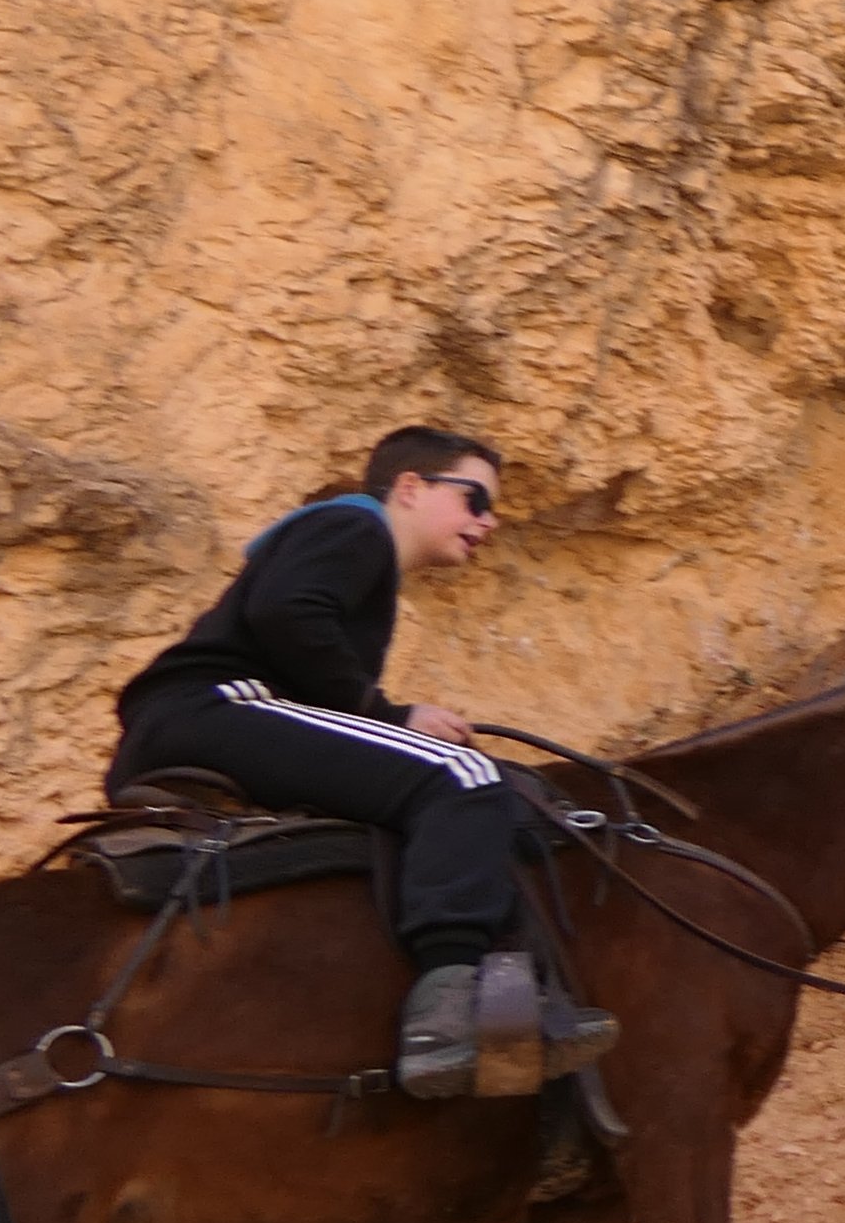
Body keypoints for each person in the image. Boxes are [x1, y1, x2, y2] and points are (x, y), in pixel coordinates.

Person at [113, 424, 598, 1101]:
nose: (487, 523)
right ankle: (447, 1014)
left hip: (195, 720)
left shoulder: (356, 552)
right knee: (467, 778)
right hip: (220, 707)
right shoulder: (354, 525)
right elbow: (288, 613)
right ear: (410, 487)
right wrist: (387, 713)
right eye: (475, 500)